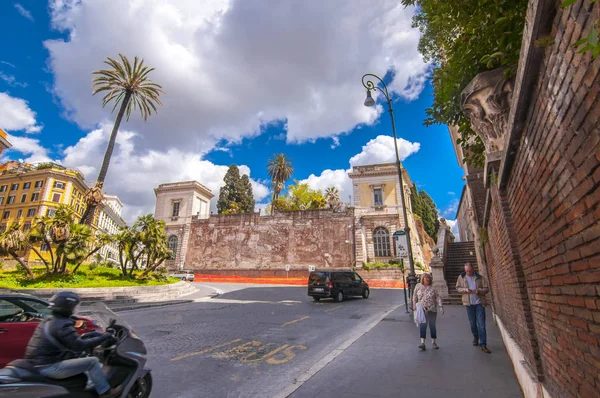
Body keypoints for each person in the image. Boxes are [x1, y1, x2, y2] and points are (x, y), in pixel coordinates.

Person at [25, 291, 123, 398]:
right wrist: (105, 336)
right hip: (49, 367)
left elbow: (69, 341)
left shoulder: (50, 321)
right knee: (92, 362)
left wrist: (91, 335)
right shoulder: (63, 324)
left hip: (40, 363)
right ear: (68, 307)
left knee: (81, 358)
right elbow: (79, 346)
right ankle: (105, 392)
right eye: (74, 306)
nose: (75, 309)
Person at [456, 263, 491, 354]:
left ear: (473, 269)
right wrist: (465, 290)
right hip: (469, 304)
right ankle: (476, 336)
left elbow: (486, 289)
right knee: (472, 324)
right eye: (466, 271)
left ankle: (483, 344)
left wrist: (478, 291)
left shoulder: (480, 277)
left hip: (479, 303)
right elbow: (458, 288)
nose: (468, 272)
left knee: (481, 325)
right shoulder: (461, 277)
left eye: (469, 271)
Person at [412, 273, 443, 350]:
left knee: (432, 325)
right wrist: (414, 304)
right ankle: (422, 343)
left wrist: (441, 306)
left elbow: (438, 297)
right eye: (426, 279)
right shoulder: (418, 286)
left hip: (432, 309)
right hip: (421, 308)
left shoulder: (433, 287)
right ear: (422, 279)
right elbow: (414, 296)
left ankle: (434, 342)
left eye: (429, 279)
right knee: (423, 325)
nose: (428, 280)